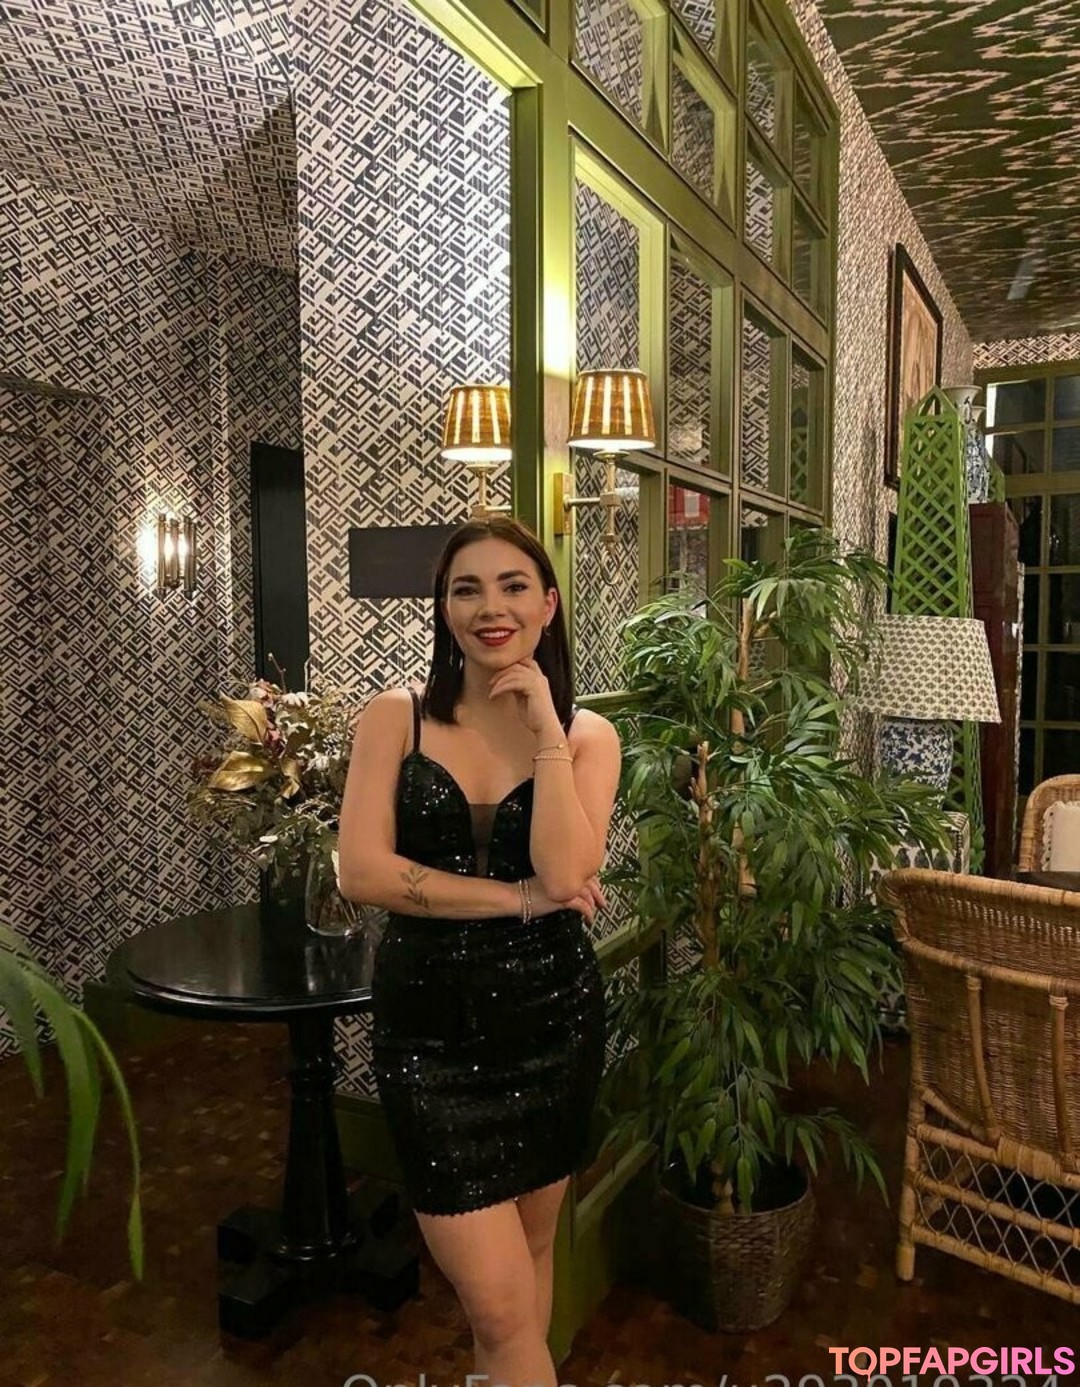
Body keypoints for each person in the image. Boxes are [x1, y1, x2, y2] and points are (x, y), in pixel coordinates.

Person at [338, 516, 622, 1387]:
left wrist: (544, 730)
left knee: (529, 1266)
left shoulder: (587, 736)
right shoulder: (395, 718)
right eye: (466, 589)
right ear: (443, 608)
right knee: (498, 1306)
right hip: (431, 1037)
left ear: (548, 604)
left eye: (512, 586)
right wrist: (514, 899)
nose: (490, 607)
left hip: (552, 1023)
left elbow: (567, 870)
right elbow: (362, 871)